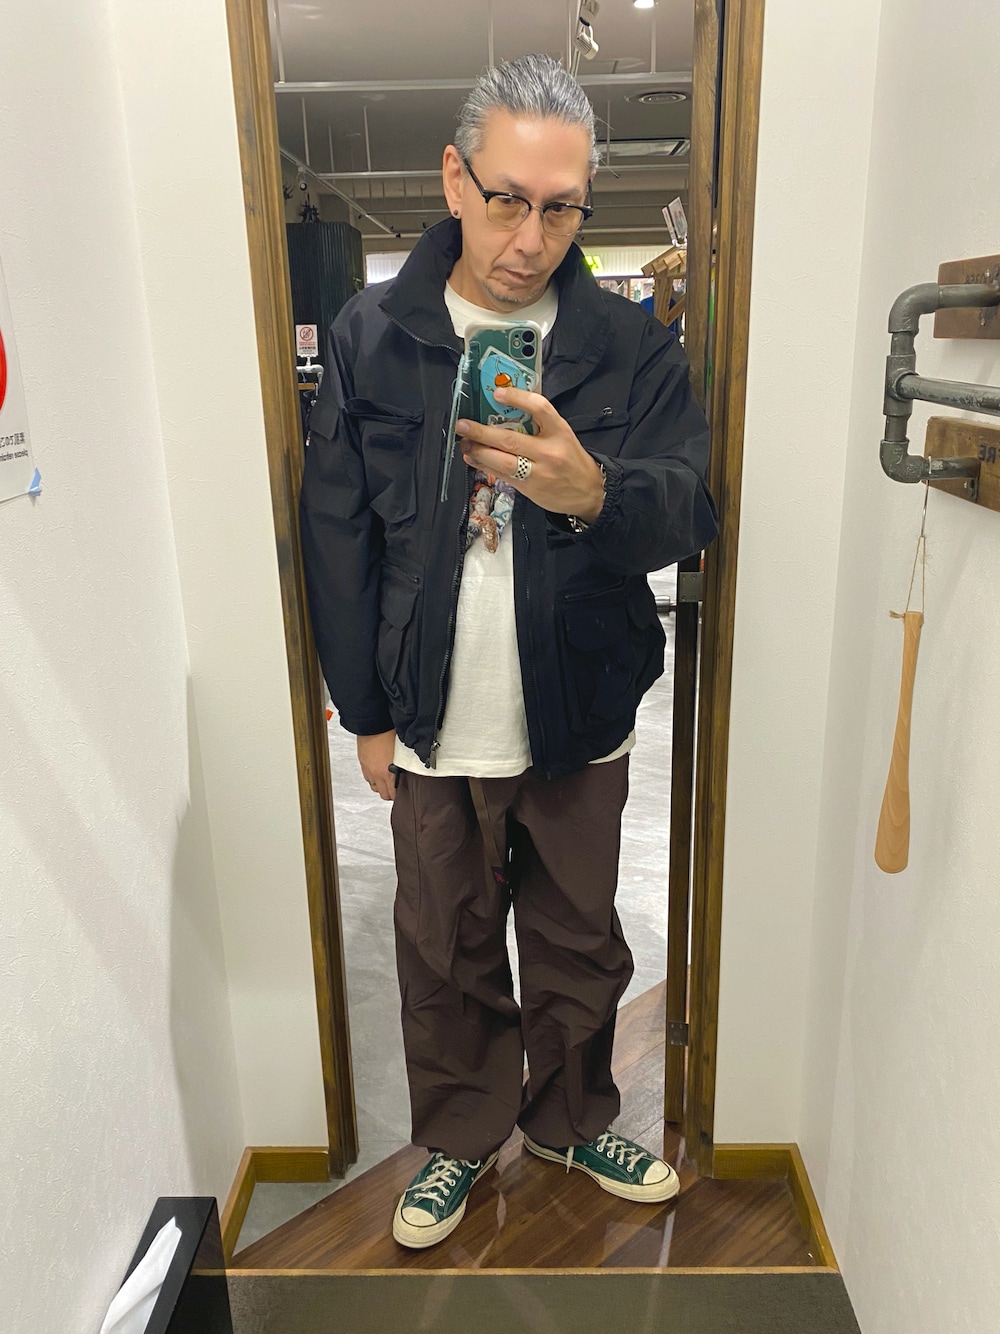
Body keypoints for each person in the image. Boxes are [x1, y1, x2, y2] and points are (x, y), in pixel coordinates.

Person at [299, 53, 717, 1250]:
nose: (531, 238)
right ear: (454, 179)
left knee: (581, 937)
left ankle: (573, 1117)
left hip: (581, 702)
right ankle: (462, 1133)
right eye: (507, 200)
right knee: (444, 944)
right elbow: (336, 530)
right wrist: (364, 711)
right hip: (431, 708)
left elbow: (690, 503)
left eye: (561, 208)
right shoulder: (374, 332)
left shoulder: (628, 344)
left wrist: (596, 491)